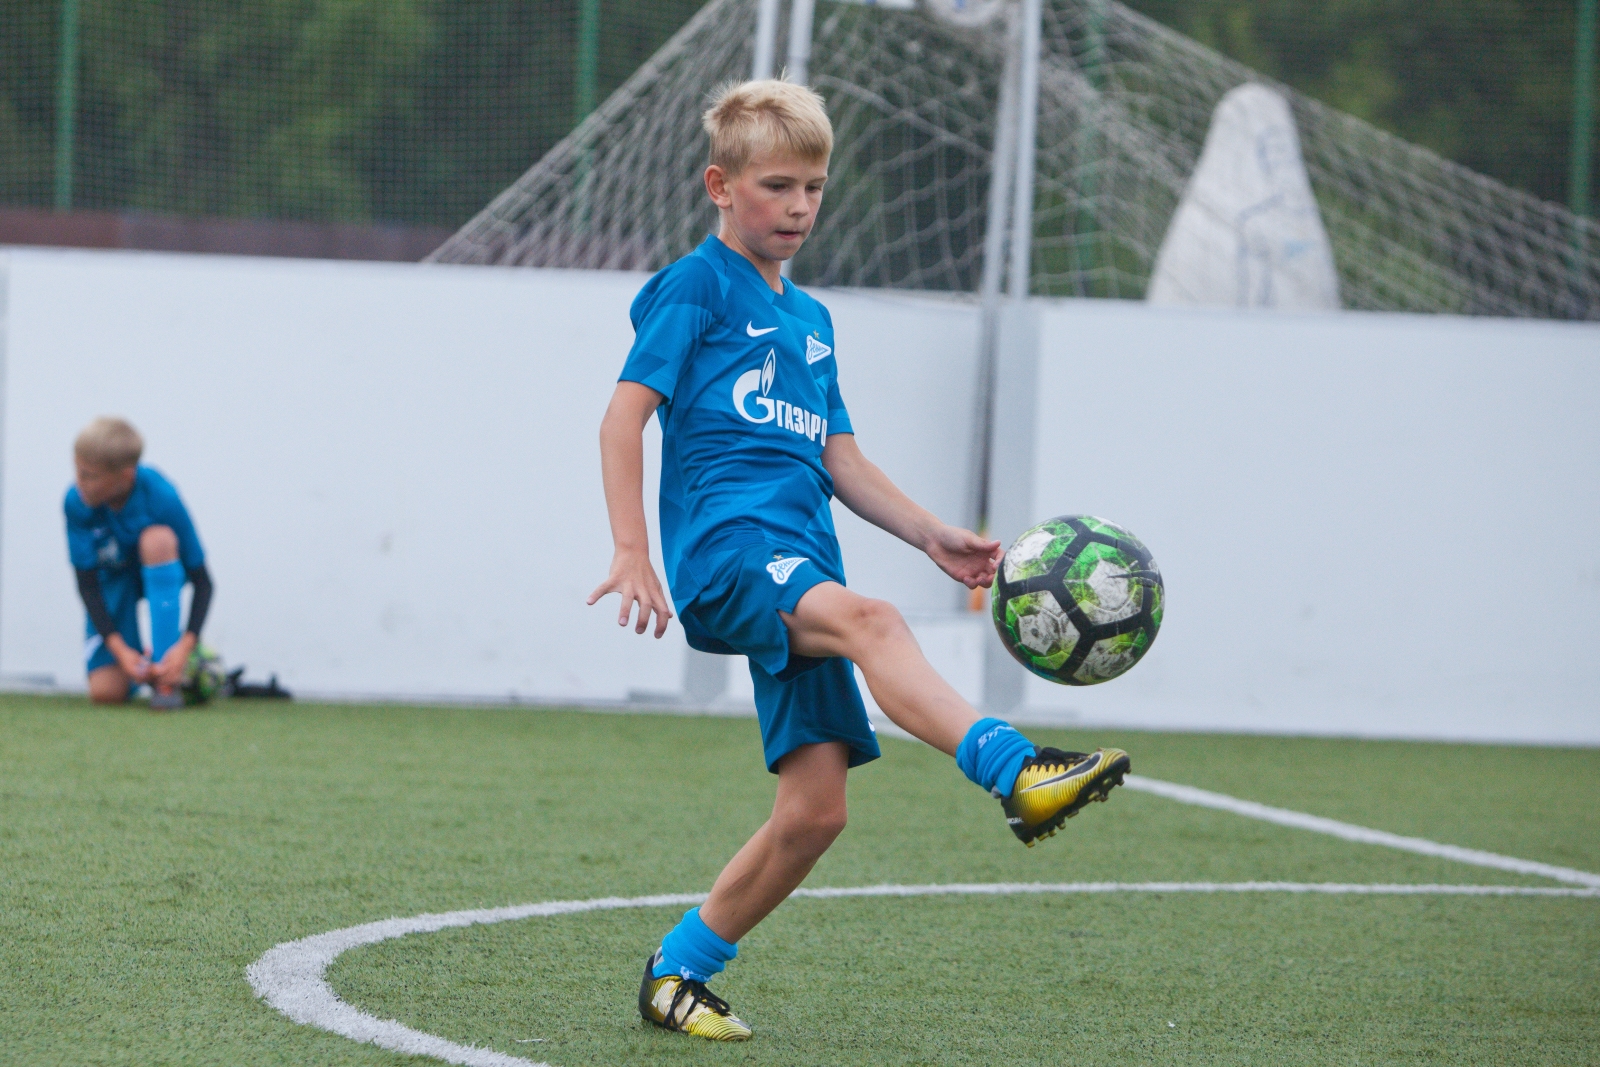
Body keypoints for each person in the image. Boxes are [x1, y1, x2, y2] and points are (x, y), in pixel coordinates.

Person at [589, 79, 1131, 1042]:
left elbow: (840, 458)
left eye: (814, 189)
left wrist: (932, 533)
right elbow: (624, 415)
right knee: (876, 621)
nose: (798, 207)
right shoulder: (693, 287)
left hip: (801, 558)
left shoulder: (813, 322)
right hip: (729, 554)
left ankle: (678, 972)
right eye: (777, 186)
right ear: (721, 185)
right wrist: (634, 549)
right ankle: (1017, 772)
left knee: (817, 809)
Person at [64, 417, 213, 709]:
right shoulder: (76, 503)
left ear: (126, 476)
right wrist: (121, 652)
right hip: (113, 582)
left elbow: (204, 583)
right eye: (77, 471)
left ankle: (167, 675)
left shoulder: (162, 496)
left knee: (157, 539)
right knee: (105, 694)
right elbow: (87, 586)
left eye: (90, 476)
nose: (80, 483)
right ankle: (143, 666)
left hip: (159, 573)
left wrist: (185, 646)